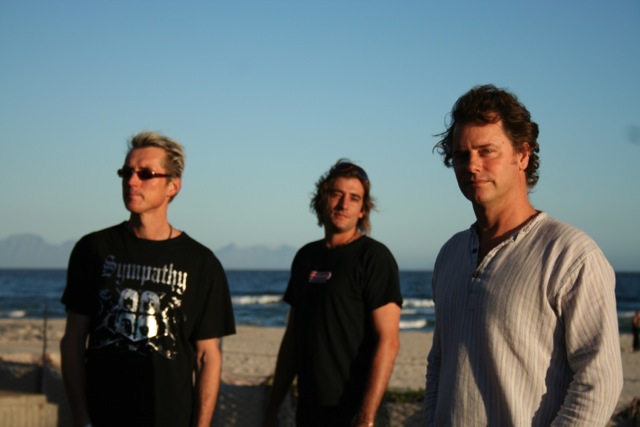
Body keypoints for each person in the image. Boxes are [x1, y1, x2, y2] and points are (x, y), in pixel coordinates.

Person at [424, 84, 623, 425]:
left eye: (487, 151)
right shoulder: (450, 254)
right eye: (461, 155)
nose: (472, 165)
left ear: (523, 155)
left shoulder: (571, 255)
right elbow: (439, 363)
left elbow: (599, 381)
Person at [60, 131, 236, 427]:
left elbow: (207, 356)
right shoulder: (93, 249)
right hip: (102, 417)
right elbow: (73, 340)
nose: (132, 181)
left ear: (173, 186)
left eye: (146, 174)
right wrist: (81, 418)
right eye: (127, 172)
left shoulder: (201, 263)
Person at [263, 159, 403, 427]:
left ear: (363, 210)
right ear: (322, 200)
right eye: (336, 194)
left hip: (356, 412)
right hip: (309, 410)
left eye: (354, 198)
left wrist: (366, 417)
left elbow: (389, 342)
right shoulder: (305, 256)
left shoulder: (374, 258)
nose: (343, 204)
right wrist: (272, 408)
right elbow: (292, 339)